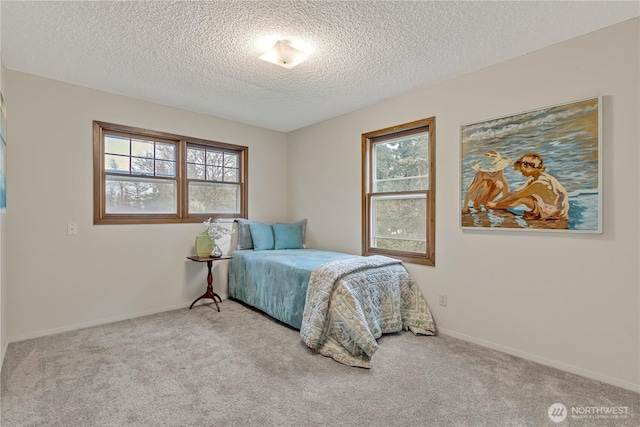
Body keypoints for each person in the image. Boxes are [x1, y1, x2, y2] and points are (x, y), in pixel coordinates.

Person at [487, 153, 569, 220]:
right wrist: (497, 201)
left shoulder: (539, 183)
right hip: (546, 205)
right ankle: (495, 205)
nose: (521, 172)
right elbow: (515, 192)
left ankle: (496, 206)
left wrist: (495, 205)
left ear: (528, 168)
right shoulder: (535, 179)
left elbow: (517, 196)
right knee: (520, 195)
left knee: (522, 199)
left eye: (521, 169)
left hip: (553, 210)